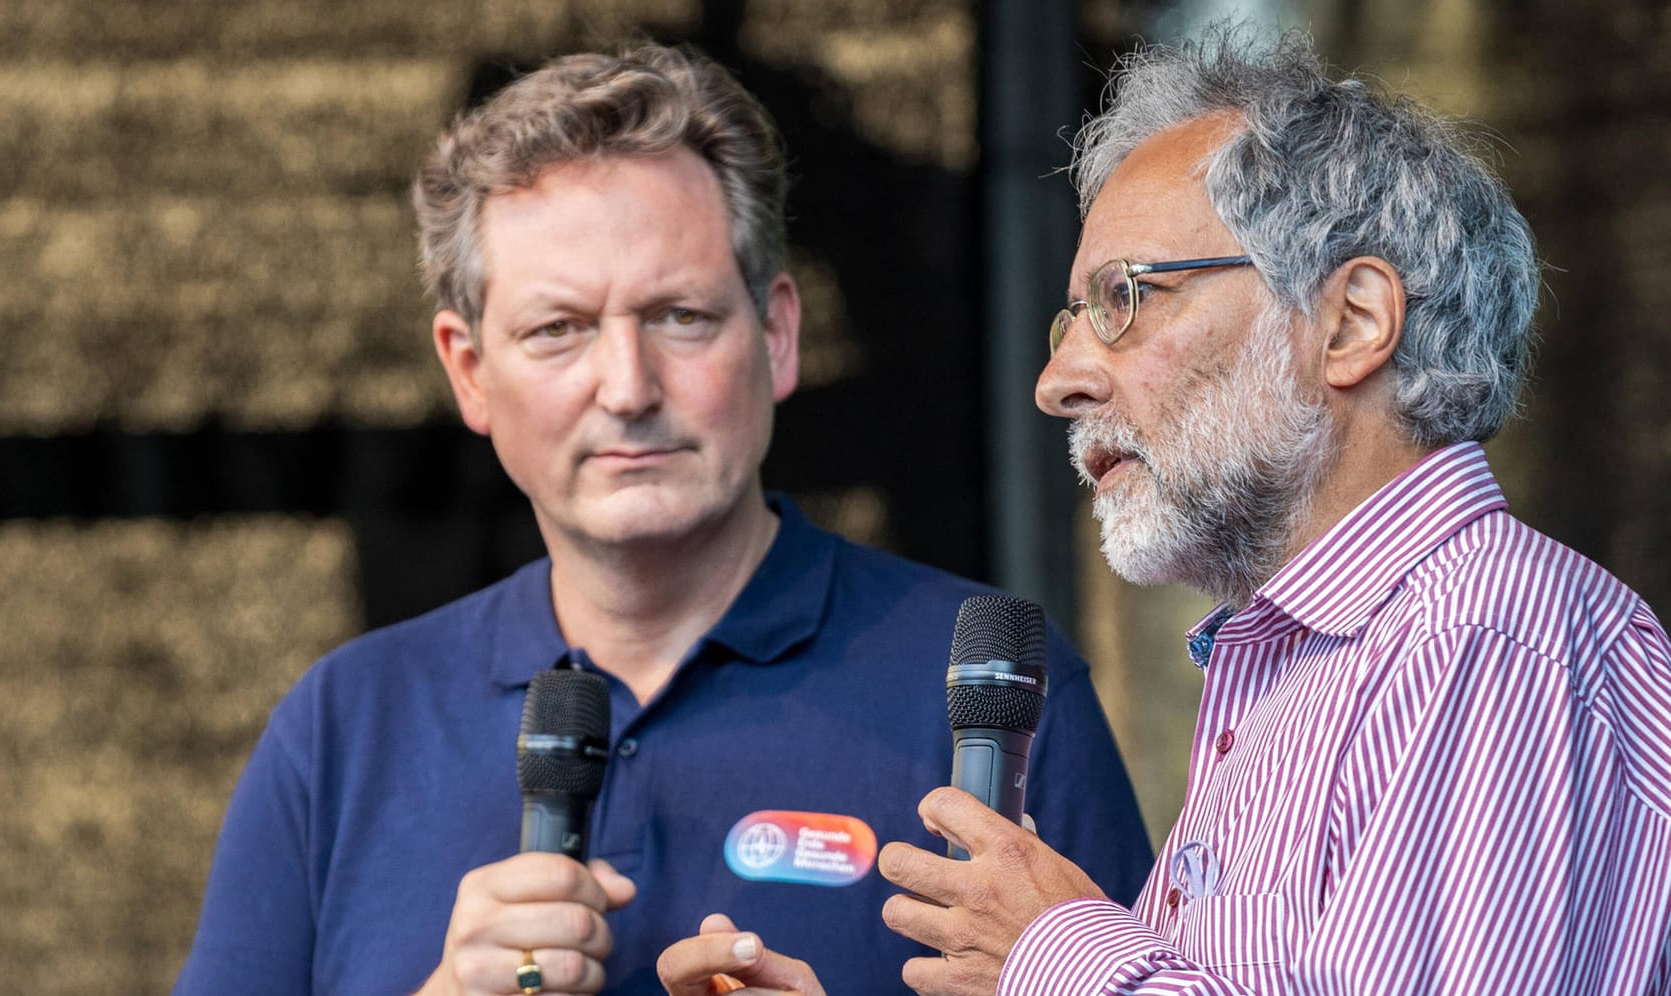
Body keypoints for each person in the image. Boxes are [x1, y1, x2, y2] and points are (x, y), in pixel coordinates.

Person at [659, 28, 1671, 996]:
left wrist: (1055, 954)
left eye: (1123, 299)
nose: (1058, 379)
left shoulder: (1486, 643)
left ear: (1353, 322)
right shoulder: (1307, 668)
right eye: (1072, 317)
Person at [173, 43, 1151, 996]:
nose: (628, 387)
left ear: (775, 335)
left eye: (680, 317)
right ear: (469, 371)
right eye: (558, 330)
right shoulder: (344, 730)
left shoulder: (993, 695)